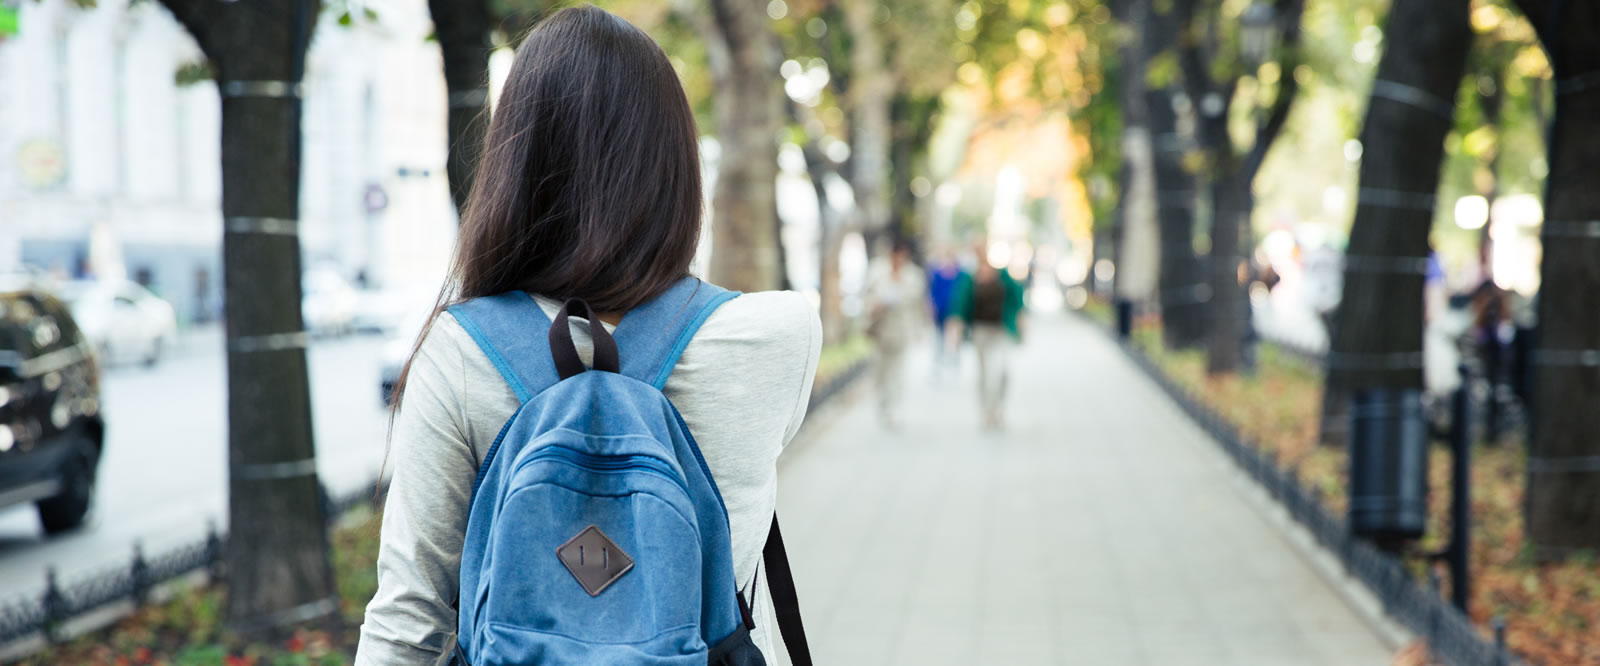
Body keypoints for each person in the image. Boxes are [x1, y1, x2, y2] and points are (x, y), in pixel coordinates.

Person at [356, 8, 821, 664]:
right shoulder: (779, 335)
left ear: (515, 162)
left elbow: (412, 615)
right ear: (674, 168)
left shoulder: (459, 352)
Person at [947, 252, 1024, 429]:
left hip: (1001, 331)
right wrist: (956, 331)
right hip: (981, 331)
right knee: (984, 373)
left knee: (1004, 370)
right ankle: (986, 411)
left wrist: (1021, 326)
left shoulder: (1005, 280)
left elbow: (1018, 301)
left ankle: (999, 408)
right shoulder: (970, 281)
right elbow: (960, 306)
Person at [865, 242, 927, 428]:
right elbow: (868, 296)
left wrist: (919, 331)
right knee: (880, 372)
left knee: (898, 372)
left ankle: (894, 410)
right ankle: (882, 406)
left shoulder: (913, 275)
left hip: (901, 329)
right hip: (880, 329)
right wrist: (874, 305)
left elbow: (916, 302)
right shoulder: (877, 271)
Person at [926, 247, 962, 373]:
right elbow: (932, 292)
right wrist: (932, 307)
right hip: (941, 310)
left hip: (954, 310)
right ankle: (938, 364)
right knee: (939, 338)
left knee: (955, 337)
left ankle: (955, 362)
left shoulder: (960, 273)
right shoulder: (937, 273)